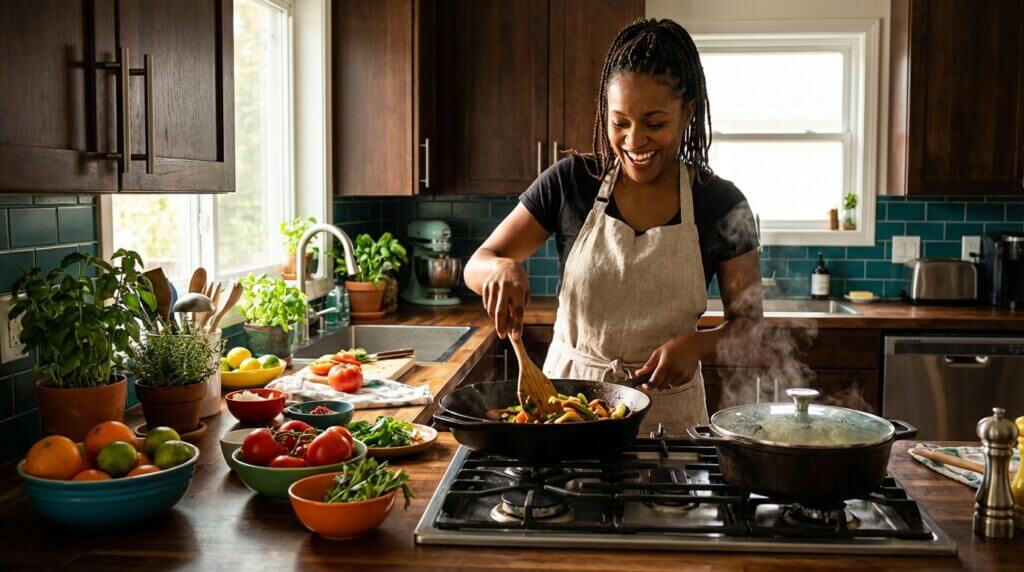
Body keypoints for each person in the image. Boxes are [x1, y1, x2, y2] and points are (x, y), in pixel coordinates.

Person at [463, 18, 763, 435]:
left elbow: (749, 322)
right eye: (620, 122)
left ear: (688, 113)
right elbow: (477, 263)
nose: (634, 141)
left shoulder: (722, 203)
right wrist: (499, 268)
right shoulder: (571, 181)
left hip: (669, 423)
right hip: (566, 414)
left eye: (655, 123)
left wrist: (699, 343)